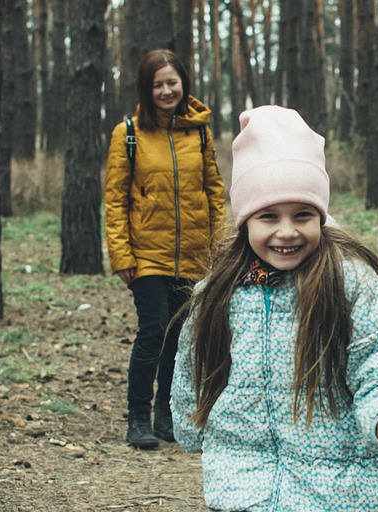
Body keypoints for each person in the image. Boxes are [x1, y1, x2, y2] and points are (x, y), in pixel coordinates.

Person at [171, 105, 378, 511]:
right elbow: (195, 363)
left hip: (341, 489)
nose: (287, 231)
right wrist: (190, 424)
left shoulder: (347, 282)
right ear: (244, 221)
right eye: (268, 216)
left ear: (321, 216)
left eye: (303, 215)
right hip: (244, 483)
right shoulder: (219, 294)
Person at [105, 49, 225, 450]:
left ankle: (165, 413)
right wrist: (122, 256)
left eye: (172, 81)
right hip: (147, 255)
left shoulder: (200, 132)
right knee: (153, 331)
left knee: (177, 335)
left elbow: (214, 192)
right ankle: (137, 417)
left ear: (183, 83)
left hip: (194, 254)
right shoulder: (129, 134)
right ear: (146, 88)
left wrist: (219, 246)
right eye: (157, 83)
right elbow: (115, 199)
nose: (166, 90)